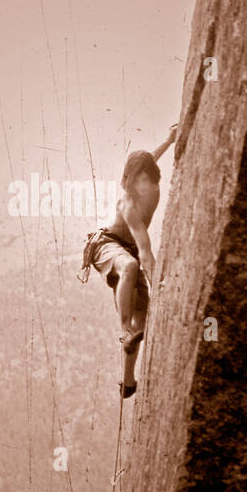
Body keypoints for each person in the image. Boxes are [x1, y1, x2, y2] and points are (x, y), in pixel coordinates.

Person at [78, 124, 178, 398]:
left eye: (145, 179)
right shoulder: (130, 204)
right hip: (106, 244)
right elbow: (144, 251)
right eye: (137, 181)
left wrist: (169, 142)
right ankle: (124, 331)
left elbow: (148, 160)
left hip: (126, 249)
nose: (141, 185)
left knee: (143, 320)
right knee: (131, 267)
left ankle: (128, 380)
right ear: (131, 181)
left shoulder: (150, 181)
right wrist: (157, 280)